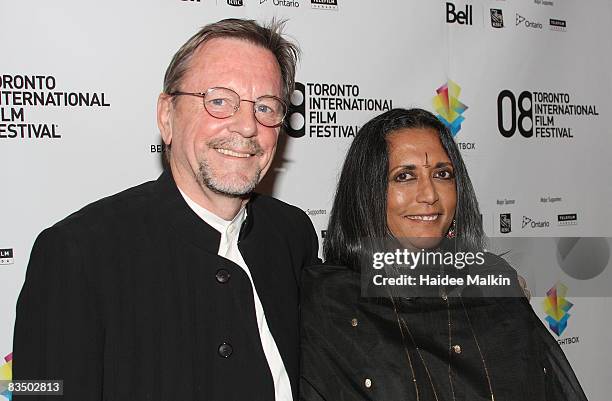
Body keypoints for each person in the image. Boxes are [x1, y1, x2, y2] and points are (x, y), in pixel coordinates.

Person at [13, 18, 319, 401]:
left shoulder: (292, 234)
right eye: (219, 101)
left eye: (266, 107)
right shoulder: (76, 253)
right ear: (166, 116)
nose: (246, 126)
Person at [300, 108, 587, 401]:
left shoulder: (492, 288)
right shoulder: (330, 304)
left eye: (442, 174)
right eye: (404, 176)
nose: (429, 194)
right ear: (366, 192)